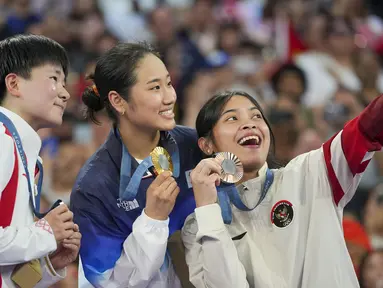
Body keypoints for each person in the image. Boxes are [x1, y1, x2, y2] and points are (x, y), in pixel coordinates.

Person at [181, 90, 383, 287]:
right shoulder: (198, 227)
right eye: (232, 118)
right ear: (207, 145)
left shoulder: (312, 173)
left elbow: (366, 127)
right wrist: (208, 210)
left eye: (256, 116)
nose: (250, 123)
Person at [70, 42, 202, 287]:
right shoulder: (94, 187)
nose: (170, 97)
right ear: (118, 102)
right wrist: (153, 219)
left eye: (169, 83)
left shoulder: (195, 145)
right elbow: (108, 282)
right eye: (155, 87)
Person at [0, 34, 81, 288]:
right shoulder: (2, 140)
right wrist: (45, 233)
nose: (65, 93)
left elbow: (11, 281)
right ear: (14, 84)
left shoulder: (25, 153)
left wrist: (47, 265)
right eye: (54, 78)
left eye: (64, 82)